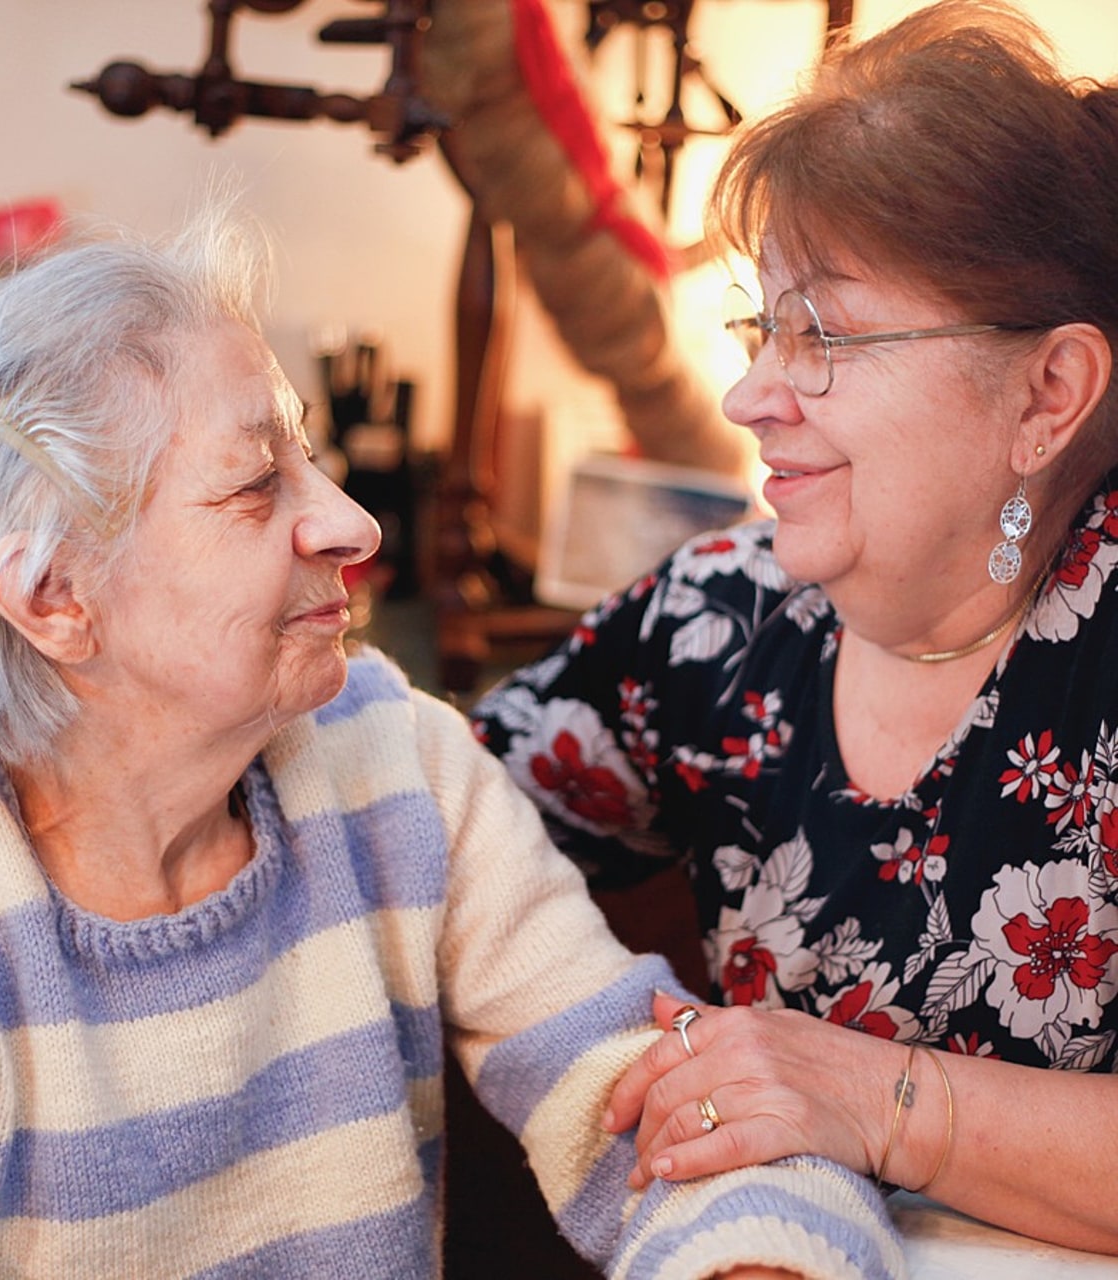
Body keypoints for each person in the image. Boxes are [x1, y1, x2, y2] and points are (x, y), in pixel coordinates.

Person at [0, 208, 904, 1279]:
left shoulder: (388, 756)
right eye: (256, 484)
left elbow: (650, 1092)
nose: (354, 524)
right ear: (54, 595)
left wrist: (759, 1258)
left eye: (309, 458)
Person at [472, 0, 1118, 1258]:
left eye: (818, 333)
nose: (749, 394)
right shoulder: (717, 613)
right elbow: (435, 828)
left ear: (1046, 392)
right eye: (759, 326)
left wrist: (878, 1105)